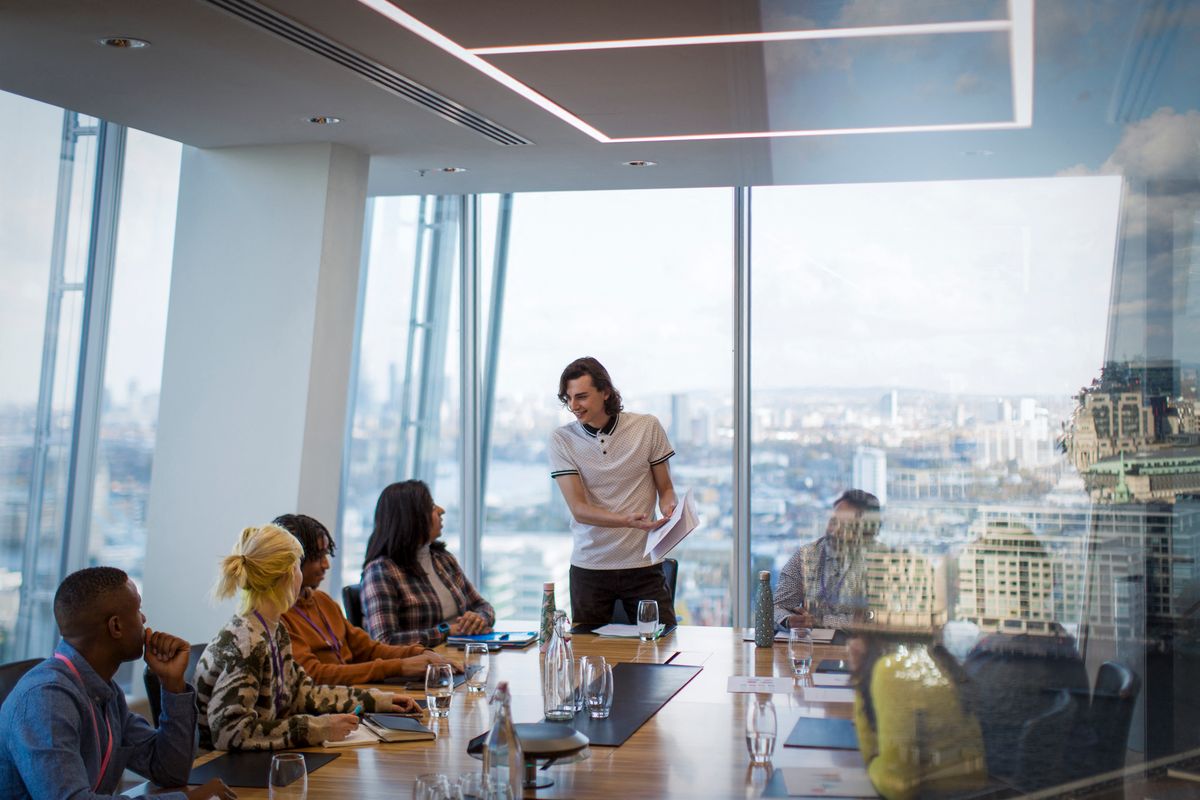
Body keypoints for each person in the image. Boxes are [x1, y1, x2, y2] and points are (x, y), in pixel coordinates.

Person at [0, 566, 235, 800]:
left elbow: (170, 771)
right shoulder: (46, 700)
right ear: (116, 626)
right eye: (138, 610)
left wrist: (172, 685)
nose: (144, 619)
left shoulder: (103, 692)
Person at [195, 524, 417, 750]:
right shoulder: (246, 643)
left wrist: (377, 700)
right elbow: (230, 732)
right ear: (289, 575)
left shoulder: (274, 630)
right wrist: (320, 728)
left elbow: (304, 693)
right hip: (231, 773)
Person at [549, 356, 679, 627]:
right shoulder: (562, 439)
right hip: (590, 569)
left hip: (643, 566)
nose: (574, 406)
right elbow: (580, 510)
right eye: (569, 398)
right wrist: (626, 521)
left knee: (662, 648)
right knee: (589, 658)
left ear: (605, 392)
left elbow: (666, 488)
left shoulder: (646, 427)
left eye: (581, 397)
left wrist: (670, 508)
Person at [275, 513, 459, 683]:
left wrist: (421, 653)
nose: (326, 565)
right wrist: (400, 667)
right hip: (333, 704)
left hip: (352, 695)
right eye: (318, 557)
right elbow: (314, 674)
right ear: (293, 561)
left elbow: (369, 649)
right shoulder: (278, 616)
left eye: (326, 554)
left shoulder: (323, 601)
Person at [847, 627, 987, 800]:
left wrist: (859, 678)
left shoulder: (893, 669)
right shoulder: (937, 660)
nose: (849, 644)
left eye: (856, 634)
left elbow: (898, 787)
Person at [362, 481, 495, 646]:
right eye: (432, 506)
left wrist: (479, 619)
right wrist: (445, 632)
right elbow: (384, 641)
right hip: (423, 668)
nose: (441, 510)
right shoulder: (381, 571)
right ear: (411, 517)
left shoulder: (443, 559)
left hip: (458, 660)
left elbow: (482, 606)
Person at [774, 489, 881, 630]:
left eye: (846, 527)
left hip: (858, 648)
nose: (835, 531)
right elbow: (776, 607)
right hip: (810, 647)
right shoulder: (806, 555)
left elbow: (874, 618)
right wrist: (789, 620)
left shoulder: (879, 560)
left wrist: (820, 620)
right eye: (833, 522)